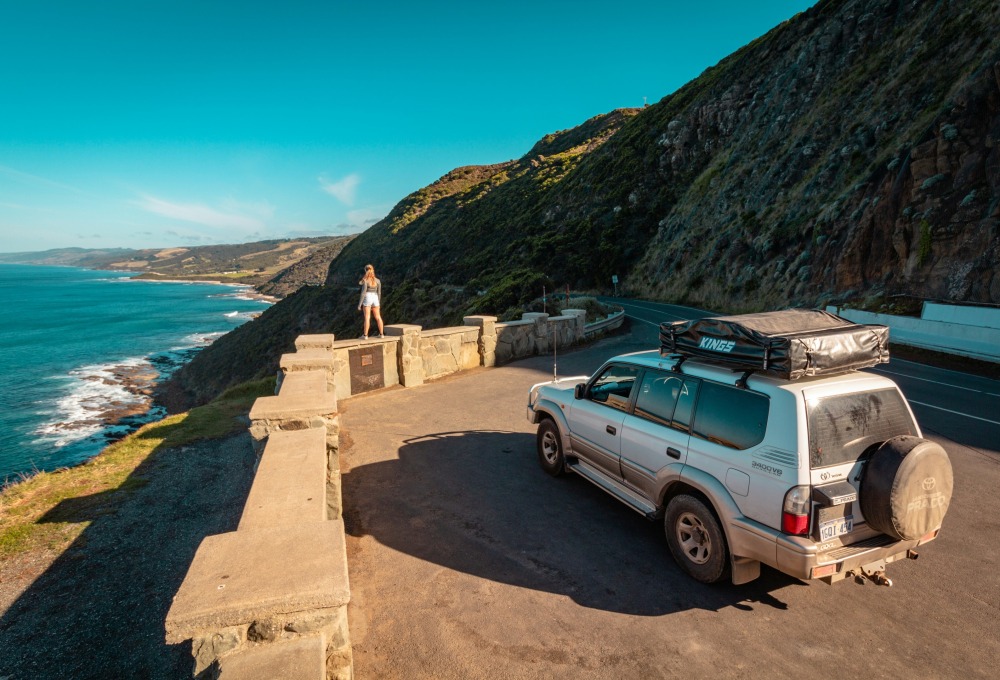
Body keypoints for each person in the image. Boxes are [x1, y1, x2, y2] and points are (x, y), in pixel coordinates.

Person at [357, 264, 384, 339]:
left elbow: (363, 293)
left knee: (367, 317)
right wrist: (378, 302)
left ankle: (365, 335)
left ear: (365, 270)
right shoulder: (378, 281)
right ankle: (381, 334)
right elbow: (379, 292)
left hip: (368, 297)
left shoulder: (365, 281)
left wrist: (359, 305)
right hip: (375, 297)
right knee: (378, 317)